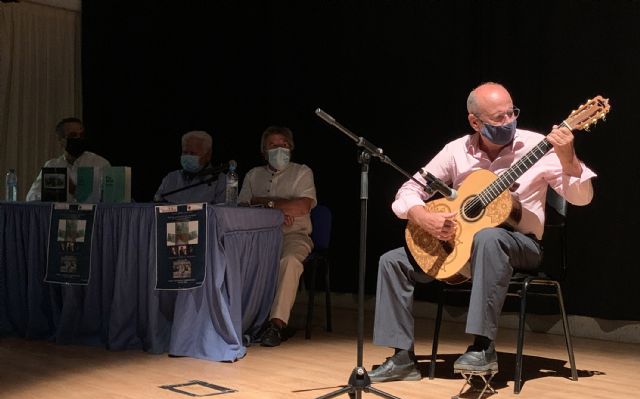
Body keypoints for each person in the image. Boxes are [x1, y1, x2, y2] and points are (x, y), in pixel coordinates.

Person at [368, 82, 597, 382]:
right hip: (463, 246)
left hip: (520, 245)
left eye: (511, 113)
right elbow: (409, 189)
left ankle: (483, 347)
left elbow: (582, 198)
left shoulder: (537, 146)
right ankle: (401, 358)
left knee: (488, 237)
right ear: (475, 122)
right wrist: (422, 216)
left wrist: (568, 157)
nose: (508, 122)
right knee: (393, 260)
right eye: (498, 118)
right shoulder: (456, 151)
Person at [238, 126, 317, 347]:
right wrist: (275, 212)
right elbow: (243, 205)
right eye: (273, 145)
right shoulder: (253, 175)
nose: (279, 148)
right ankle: (244, 319)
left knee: (289, 261)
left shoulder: (302, 172)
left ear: (291, 148)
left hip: (294, 235)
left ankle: (276, 324)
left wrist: (263, 202)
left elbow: (302, 206)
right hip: (259, 237)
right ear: (264, 151)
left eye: (283, 144)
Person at [26, 117, 110, 201]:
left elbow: (109, 199)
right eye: (73, 135)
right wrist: (51, 195)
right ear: (61, 140)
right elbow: (31, 197)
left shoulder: (99, 164)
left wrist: (74, 190)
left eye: (81, 135)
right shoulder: (52, 166)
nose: (78, 138)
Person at [154, 131, 227, 204]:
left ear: (208, 155)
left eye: (193, 153)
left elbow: (222, 212)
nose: (187, 157)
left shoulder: (220, 181)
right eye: (185, 152)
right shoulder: (170, 178)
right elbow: (155, 205)